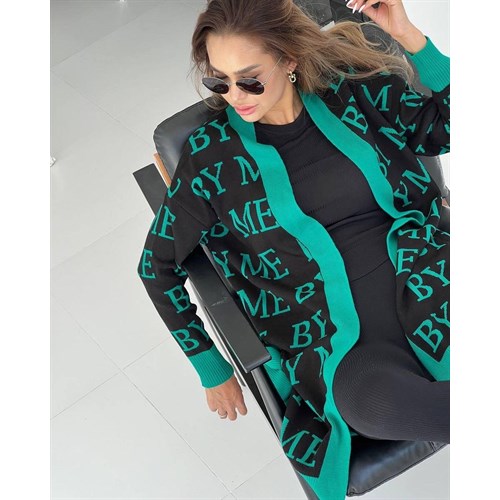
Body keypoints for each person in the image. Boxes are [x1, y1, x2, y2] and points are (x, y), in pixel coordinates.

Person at [137, 0, 450, 497]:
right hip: (333, 343)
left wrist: (409, 35)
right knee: (370, 406)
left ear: (288, 59)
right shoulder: (211, 158)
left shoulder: (354, 91)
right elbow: (156, 266)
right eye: (219, 82)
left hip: (432, 282)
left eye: (250, 79)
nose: (234, 96)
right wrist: (210, 366)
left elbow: (449, 125)